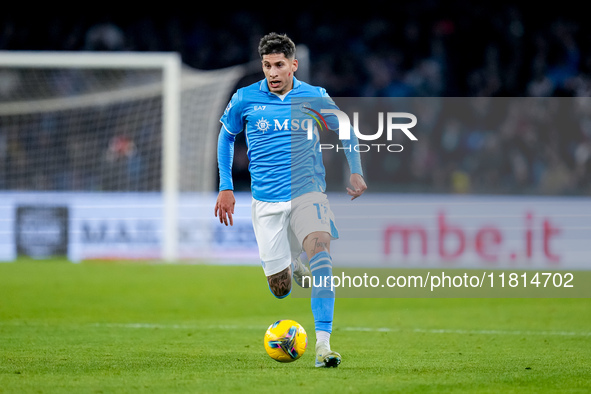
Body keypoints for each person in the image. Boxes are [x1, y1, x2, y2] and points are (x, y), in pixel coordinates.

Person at [215, 32, 367, 368]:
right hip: (266, 203)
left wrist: (355, 170)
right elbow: (226, 138)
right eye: (267, 65)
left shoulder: (315, 97)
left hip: (308, 194)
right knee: (280, 289)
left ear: (293, 65)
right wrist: (226, 186)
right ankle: (293, 267)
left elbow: (344, 128)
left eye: (279, 65)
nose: (272, 71)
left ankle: (323, 347)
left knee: (322, 254)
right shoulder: (245, 99)